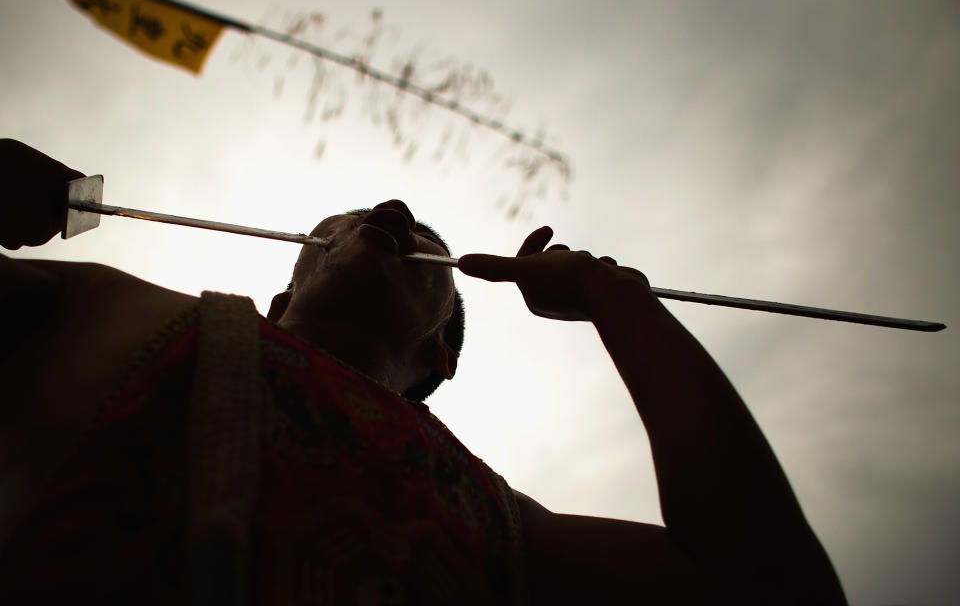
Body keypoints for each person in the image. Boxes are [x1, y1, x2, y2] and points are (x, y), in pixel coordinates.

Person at [0, 138, 848, 605]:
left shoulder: (495, 523)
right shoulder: (114, 317)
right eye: (346, 220)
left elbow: (768, 588)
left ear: (439, 353)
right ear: (279, 293)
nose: (390, 215)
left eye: (427, 248)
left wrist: (621, 305)